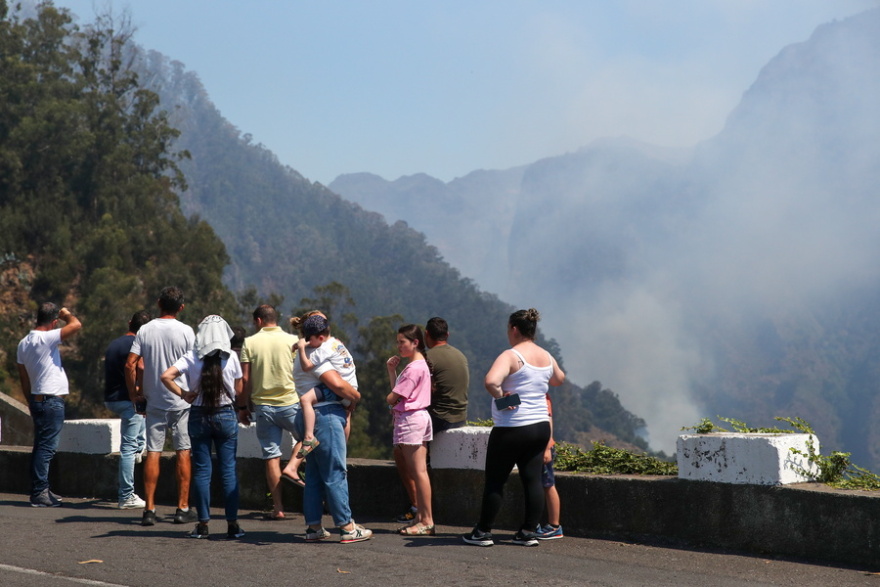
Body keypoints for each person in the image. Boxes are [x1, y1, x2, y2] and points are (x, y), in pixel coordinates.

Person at [462, 308, 565, 547]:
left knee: (496, 481)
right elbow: (558, 379)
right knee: (533, 481)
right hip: (540, 427)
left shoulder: (511, 355)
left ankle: (483, 532)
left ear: (514, 329)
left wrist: (503, 398)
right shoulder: (547, 356)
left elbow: (490, 381)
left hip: (512, 428)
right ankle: (528, 532)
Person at [161, 315, 245, 540]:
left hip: (198, 416)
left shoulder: (191, 357)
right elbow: (238, 388)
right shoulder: (232, 358)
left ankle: (203, 524)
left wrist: (184, 394)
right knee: (228, 471)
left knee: (202, 471)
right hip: (226, 415)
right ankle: (232, 525)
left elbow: (166, 376)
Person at [292, 316, 372, 544]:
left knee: (315, 474)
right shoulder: (319, 354)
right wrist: (355, 396)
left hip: (307, 416)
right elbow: (336, 384)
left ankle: (313, 526)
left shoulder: (302, 354)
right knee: (335, 472)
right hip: (326, 416)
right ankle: (347, 527)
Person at [125, 286, 196, 526]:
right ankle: (182, 507)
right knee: (183, 451)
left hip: (154, 400)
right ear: (181, 307)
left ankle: (149, 509)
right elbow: (194, 364)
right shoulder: (187, 331)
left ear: (158, 303)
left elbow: (130, 364)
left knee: (152, 452)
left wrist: (134, 393)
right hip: (181, 401)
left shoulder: (145, 329)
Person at [393, 317, 470, 525]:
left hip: (439, 417)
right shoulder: (459, 354)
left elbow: (405, 394)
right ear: (448, 335)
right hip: (460, 416)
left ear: (426, 335)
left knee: (400, 451)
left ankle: (416, 505)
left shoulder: (426, 359)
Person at [237, 304, 304, 520]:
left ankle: (279, 508)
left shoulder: (250, 343)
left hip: (263, 407)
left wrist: (244, 406)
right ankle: (293, 466)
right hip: (290, 403)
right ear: (276, 319)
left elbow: (245, 379)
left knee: (271, 457)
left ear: (258, 321)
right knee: (309, 438)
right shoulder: (291, 341)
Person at [17, 303, 82, 507]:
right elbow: (76, 325)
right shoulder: (46, 338)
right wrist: (67, 314)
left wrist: (30, 402)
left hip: (38, 399)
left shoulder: (23, 343)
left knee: (40, 447)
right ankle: (39, 493)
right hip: (51, 401)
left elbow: (24, 379)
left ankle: (41, 488)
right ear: (54, 322)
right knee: (46, 449)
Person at [386, 324, 435, 536]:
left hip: (410, 420)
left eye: (402, 342)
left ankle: (426, 520)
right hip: (419, 418)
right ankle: (422, 518)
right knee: (420, 471)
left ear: (415, 343)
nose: (399, 346)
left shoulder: (413, 368)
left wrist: (391, 374)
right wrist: (392, 371)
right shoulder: (421, 364)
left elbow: (392, 397)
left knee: (418, 472)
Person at [104, 310, 152, 509]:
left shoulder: (114, 343)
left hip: (111, 398)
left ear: (129, 322)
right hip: (127, 400)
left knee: (137, 442)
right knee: (128, 447)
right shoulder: (137, 345)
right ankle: (126, 496)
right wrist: (140, 391)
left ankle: (140, 449)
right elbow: (139, 368)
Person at [294, 314, 356, 453]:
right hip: (350, 387)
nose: (308, 343)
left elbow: (306, 366)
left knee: (305, 400)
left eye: (310, 340)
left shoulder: (322, 350)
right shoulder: (336, 343)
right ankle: (342, 448)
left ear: (320, 338)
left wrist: (302, 349)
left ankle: (309, 437)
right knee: (347, 418)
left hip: (340, 390)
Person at [537, 394, 563, 540]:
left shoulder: (542, 397)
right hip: (535, 444)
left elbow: (548, 421)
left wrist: (547, 448)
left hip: (543, 446)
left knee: (548, 484)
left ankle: (554, 525)